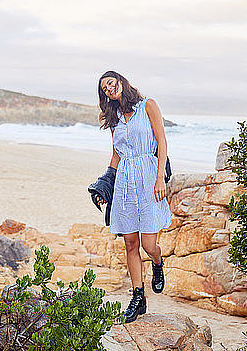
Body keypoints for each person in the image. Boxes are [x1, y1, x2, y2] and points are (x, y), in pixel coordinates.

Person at [97, 71, 172, 323]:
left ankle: (157, 262)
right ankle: (138, 297)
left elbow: (162, 143)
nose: (109, 89)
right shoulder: (115, 118)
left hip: (149, 177)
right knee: (130, 243)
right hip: (125, 182)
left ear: (121, 81)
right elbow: (116, 154)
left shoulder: (148, 105)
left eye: (111, 83)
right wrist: (104, 186)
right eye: (104, 89)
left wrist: (159, 177)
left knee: (148, 244)